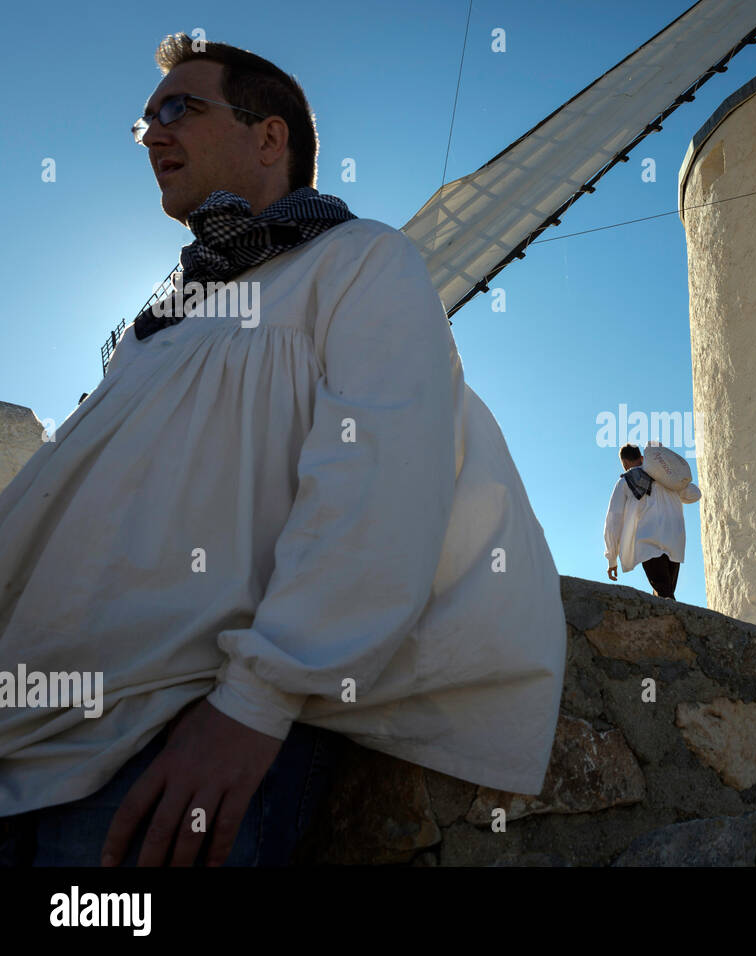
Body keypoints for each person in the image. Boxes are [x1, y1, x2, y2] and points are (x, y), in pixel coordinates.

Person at [0, 33, 566, 867]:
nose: (153, 133)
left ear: (270, 137)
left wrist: (253, 703)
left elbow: (380, 475)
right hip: (26, 740)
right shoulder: (159, 322)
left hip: (165, 742)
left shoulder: (358, 261)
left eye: (178, 109)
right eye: (145, 119)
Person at [603, 443, 700, 600]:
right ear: (642, 458)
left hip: (649, 543)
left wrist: (611, 557)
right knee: (666, 593)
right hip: (674, 543)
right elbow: (694, 494)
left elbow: (613, 520)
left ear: (625, 463)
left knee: (664, 595)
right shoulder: (666, 479)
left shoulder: (625, 482)